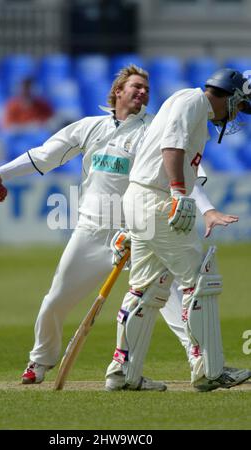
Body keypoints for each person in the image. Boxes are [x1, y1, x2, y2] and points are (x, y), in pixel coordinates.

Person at [0, 65, 237, 390]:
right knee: (56, 299)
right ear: (117, 91)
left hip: (140, 229)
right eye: (135, 86)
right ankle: (40, 361)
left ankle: (199, 362)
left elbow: (184, 172)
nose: (143, 92)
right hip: (92, 230)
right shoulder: (90, 127)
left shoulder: (154, 126)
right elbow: (45, 155)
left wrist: (207, 210)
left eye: (146, 88)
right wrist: (2, 172)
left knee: (172, 299)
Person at [105, 68, 251, 392]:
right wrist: (176, 193)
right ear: (230, 94)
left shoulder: (194, 111)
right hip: (156, 199)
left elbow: (184, 167)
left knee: (145, 288)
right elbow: (171, 148)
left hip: (143, 199)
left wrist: (203, 208)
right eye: (240, 106)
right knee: (200, 278)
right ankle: (208, 371)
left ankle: (123, 374)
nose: (238, 113)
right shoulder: (192, 100)